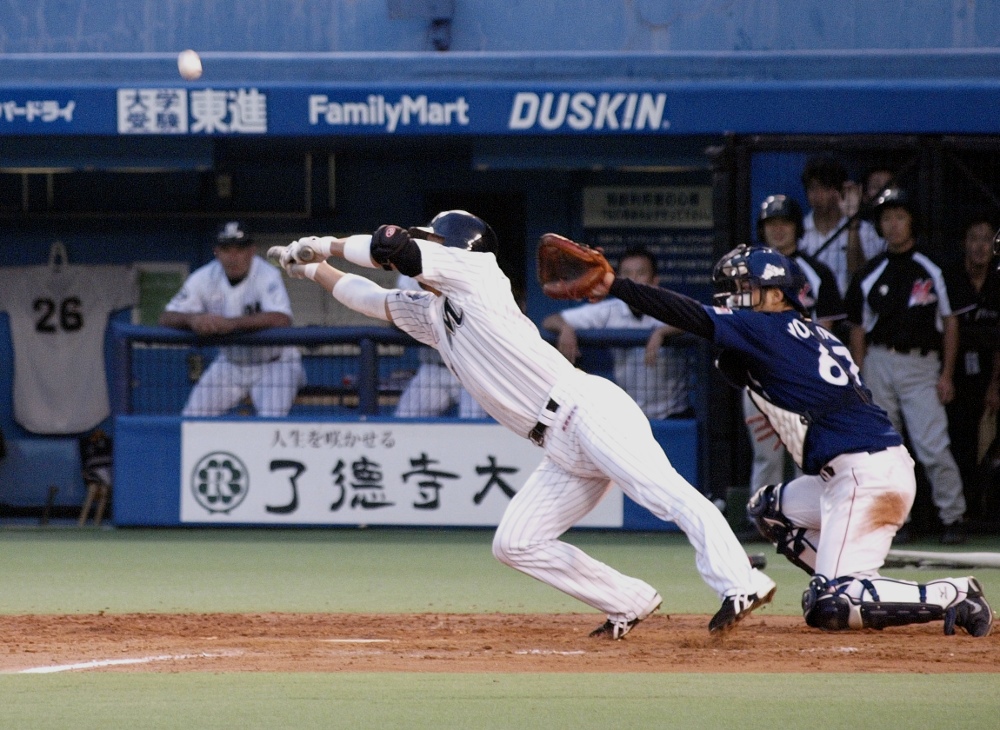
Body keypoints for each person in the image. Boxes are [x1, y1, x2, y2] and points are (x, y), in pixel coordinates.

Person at [269, 209, 776, 637]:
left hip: (585, 410)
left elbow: (390, 244)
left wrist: (322, 244)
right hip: (558, 444)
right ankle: (629, 600)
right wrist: (309, 271)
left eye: (432, 242)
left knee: (665, 495)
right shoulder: (436, 310)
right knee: (515, 542)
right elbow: (367, 298)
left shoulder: (478, 272)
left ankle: (741, 582)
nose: (423, 249)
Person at [583, 242, 993, 637]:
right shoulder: (810, 331)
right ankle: (851, 586)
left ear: (775, 293)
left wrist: (618, 287)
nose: (737, 297)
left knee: (828, 608)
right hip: (852, 469)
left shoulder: (768, 324)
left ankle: (950, 594)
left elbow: (691, 316)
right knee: (769, 510)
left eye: (746, 288)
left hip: (866, 476)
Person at [844, 188, 971, 545]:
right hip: (879, 362)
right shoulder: (870, 272)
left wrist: (947, 373)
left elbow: (951, 321)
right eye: (886, 218)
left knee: (932, 445)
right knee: (885, 450)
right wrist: (860, 376)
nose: (893, 225)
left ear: (911, 221)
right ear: (880, 226)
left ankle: (953, 516)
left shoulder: (933, 266)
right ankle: (897, 520)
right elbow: (858, 329)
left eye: (899, 217)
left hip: (921, 366)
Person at [743, 195, 846, 496]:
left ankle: (810, 519)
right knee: (766, 455)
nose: (778, 230)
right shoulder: (747, 272)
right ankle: (763, 518)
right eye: (771, 224)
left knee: (808, 454)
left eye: (784, 223)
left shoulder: (815, 272)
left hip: (802, 375)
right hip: (759, 372)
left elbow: (826, 330)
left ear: (797, 228)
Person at [160, 221, 306, 417]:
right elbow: (166, 317)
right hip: (230, 363)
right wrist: (193, 319)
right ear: (216, 252)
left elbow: (281, 319)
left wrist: (231, 323)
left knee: (272, 421)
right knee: (192, 417)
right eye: (226, 249)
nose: (233, 256)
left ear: (252, 250)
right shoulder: (204, 277)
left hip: (275, 364)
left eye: (240, 249)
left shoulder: (266, 274)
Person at [542, 247, 691, 420]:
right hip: (631, 415)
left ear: (654, 281)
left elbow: (697, 318)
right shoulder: (610, 310)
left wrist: (662, 332)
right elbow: (550, 320)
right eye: (627, 273)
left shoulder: (670, 305)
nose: (633, 279)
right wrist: (565, 328)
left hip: (674, 413)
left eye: (641, 273)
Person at [948, 215, 1000, 519]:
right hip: (955, 375)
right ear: (964, 244)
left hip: (989, 375)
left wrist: (995, 385)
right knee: (958, 443)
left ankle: (987, 514)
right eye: (974, 238)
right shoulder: (952, 279)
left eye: (986, 239)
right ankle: (961, 513)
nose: (980, 246)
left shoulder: (997, 282)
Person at [393, 273, 487, 419]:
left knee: (474, 423)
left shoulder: (473, 275)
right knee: (405, 416)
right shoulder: (412, 273)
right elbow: (397, 314)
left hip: (471, 369)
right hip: (434, 368)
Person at [797, 155, 884, 297]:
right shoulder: (798, 231)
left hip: (852, 311)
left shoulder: (865, 231)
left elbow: (864, 278)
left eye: (825, 188)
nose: (817, 195)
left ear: (840, 190)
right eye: (812, 188)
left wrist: (853, 223)